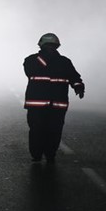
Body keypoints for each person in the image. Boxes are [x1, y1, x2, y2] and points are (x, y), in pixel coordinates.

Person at [23, 33, 84, 163]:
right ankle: (37, 154)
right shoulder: (32, 60)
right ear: (42, 47)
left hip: (56, 104)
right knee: (37, 130)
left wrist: (78, 86)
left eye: (52, 46)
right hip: (38, 105)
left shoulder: (64, 62)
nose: (50, 49)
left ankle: (50, 154)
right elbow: (30, 71)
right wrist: (47, 58)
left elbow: (74, 77)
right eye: (48, 46)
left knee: (54, 130)